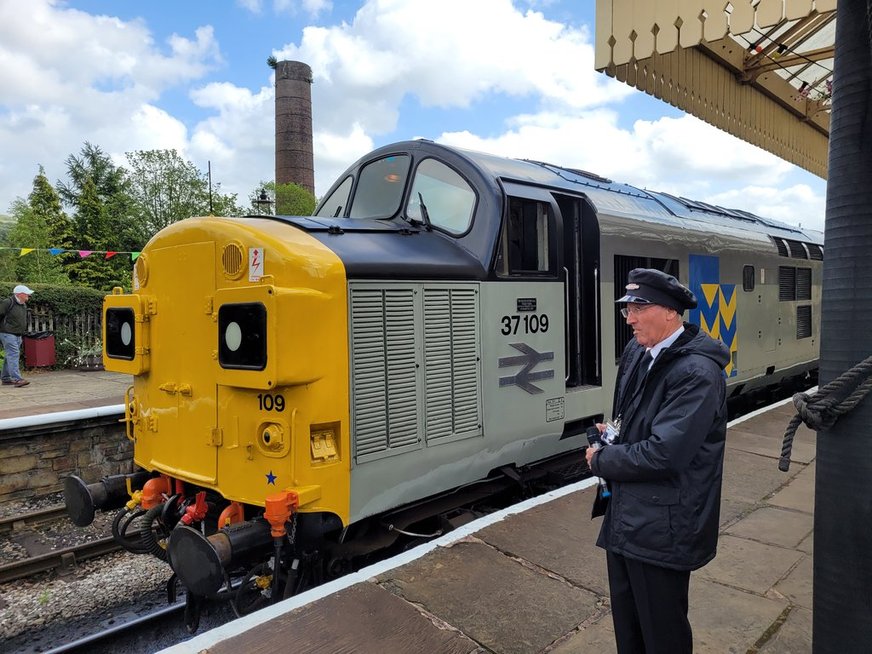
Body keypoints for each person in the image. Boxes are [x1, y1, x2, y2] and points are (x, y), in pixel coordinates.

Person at [586, 268, 730, 654]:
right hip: (629, 518)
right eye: (627, 309)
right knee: (629, 628)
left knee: (661, 633)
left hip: (664, 527)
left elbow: (666, 454)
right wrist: (613, 433)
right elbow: (634, 416)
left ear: (670, 312)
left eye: (638, 307)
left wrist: (601, 459)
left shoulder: (697, 373)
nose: (629, 318)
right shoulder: (639, 352)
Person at [0, 284, 35, 387]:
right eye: (27, 294)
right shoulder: (8, 302)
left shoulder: (23, 304)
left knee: (9, 355)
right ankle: (17, 379)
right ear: (20, 294)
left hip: (18, 334)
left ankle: (6, 378)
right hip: (7, 333)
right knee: (13, 354)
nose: (28, 296)